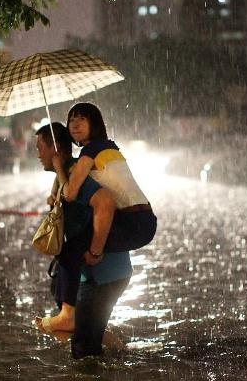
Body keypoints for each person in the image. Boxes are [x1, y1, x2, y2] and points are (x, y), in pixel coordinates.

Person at [38, 103, 157, 334]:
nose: (74, 125)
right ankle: (77, 319)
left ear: (95, 124)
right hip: (138, 221)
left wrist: (94, 251)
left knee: (71, 250)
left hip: (133, 224)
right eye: (71, 121)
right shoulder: (108, 148)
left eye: (81, 120)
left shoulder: (90, 153)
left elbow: (71, 192)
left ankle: (67, 315)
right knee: (92, 337)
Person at [35, 123, 131, 358]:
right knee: (88, 337)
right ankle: (127, 356)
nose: (37, 154)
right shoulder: (64, 178)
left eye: (40, 148)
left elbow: (105, 203)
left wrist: (96, 252)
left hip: (103, 274)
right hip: (95, 274)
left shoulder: (77, 175)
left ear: (55, 148)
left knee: (83, 350)